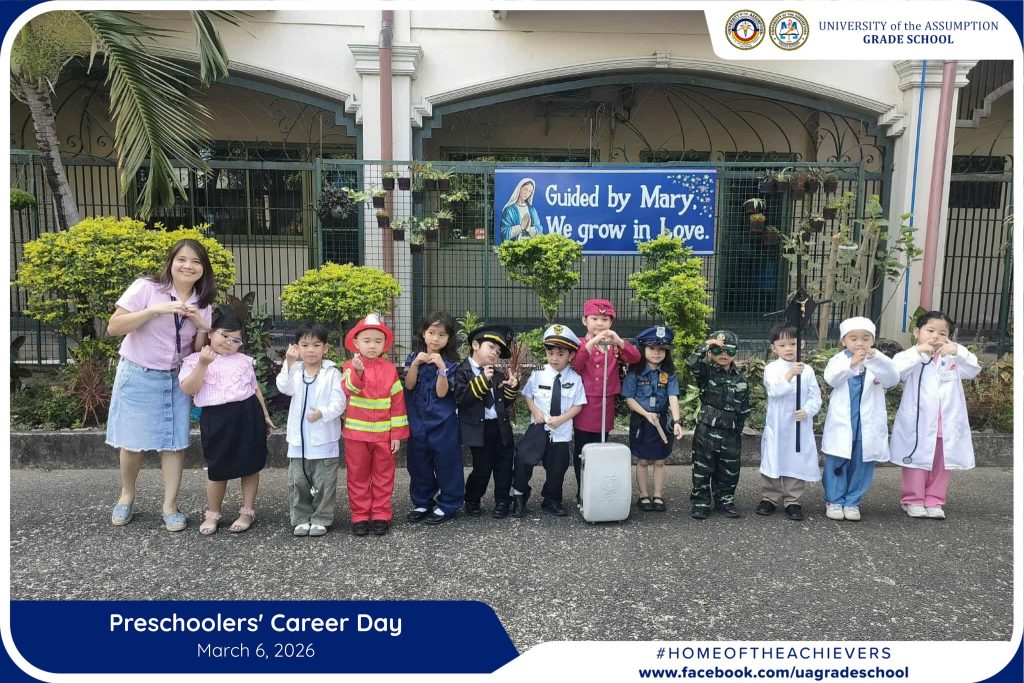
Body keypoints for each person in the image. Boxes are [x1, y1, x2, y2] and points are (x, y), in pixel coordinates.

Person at [106, 239, 216, 532]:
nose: (188, 266)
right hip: (139, 372)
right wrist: (155, 310)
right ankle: (126, 495)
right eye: (182, 259)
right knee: (133, 443)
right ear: (171, 262)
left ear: (203, 269)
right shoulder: (147, 288)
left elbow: (197, 350)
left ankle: (170, 505)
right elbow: (114, 326)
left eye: (196, 261)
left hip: (175, 378)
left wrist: (202, 326)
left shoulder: (203, 302)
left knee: (174, 443)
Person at [179, 309, 274, 535]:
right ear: (211, 333)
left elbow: (254, 389)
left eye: (236, 340)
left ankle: (247, 511)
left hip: (247, 414)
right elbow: (188, 389)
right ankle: (213, 513)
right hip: (216, 417)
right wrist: (203, 364)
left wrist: (265, 416)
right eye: (224, 335)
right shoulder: (194, 360)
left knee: (250, 465)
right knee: (217, 467)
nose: (229, 343)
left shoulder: (243, 361)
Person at [889, 311, 981, 520]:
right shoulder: (912, 357)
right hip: (919, 423)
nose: (935, 336)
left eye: (942, 333)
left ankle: (934, 500)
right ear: (917, 332)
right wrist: (917, 352)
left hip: (946, 423)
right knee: (916, 461)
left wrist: (958, 350)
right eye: (930, 331)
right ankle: (912, 500)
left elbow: (973, 369)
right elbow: (895, 372)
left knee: (941, 462)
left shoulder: (952, 358)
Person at [820, 316, 899, 522]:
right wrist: (851, 364)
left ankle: (853, 502)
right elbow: (831, 379)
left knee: (862, 463)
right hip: (843, 422)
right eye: (853, 338)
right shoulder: (838, 360)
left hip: (867, 425)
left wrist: (878, 359)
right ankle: (834, 500)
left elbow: (892, 379)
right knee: (838, 460)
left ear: (873, 340)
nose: (859, 343)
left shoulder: (877, 360)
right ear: (843, 341)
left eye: (865, 338)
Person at [341, 314, 410, 536]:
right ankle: (360, 515)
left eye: (378, 341)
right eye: (367, 340)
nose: (372, 346)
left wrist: (396, 434)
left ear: (384, 344)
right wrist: (358, 372)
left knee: (384, 476)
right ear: (356, 343)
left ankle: (381, 513)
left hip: (384, 436)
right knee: (357, 476)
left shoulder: (390, 369)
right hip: (356, 436)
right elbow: (349, 389)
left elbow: (398, 404)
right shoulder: (350, 366)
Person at [276, 323, 346, 537]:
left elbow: (339, 402)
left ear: (325, 348)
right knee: (298, 481)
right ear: (296, 347)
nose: (310, 350)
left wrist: (322, 413)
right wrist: (288, 362)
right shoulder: (295, 370)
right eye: (304, 345)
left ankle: (321, 518)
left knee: (325, 482)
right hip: (298, 440)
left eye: (316, 345)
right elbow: (284, 387)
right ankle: (301, 518)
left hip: (324, 439)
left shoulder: (332, 373)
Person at [513, 324, 587, 517]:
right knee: (523, 460)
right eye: (550, 353)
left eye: (560, 354)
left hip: (560, 431)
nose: (554, 358)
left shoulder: (575, 378)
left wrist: (562, 419)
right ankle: (519, 496)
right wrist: (535, 410)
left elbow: (578, 405)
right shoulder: (538, 372)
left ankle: (552, 500)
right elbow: (528, 394)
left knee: (557, 468)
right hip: (538, 427)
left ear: (571, 355)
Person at [571, 299, 641, 501]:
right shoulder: (580, 343)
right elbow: (577, 364)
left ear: (611, 322)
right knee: (582, 448)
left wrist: (619, 341)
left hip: (606, 401)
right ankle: (583, 490)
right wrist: (592, 343)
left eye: (605, 319)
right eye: (594, 319)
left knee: (602, 444)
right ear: (584, 320)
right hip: (585, 403)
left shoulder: (614, 345)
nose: (600, 323)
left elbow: (635, 358)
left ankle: (598, 489)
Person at [757, 324, 822, 522]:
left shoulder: (807, 370)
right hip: (777, 424)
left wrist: (807, 410)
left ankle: (792, 500)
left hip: (797, 425)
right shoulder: (771, 368)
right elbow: (774, 391)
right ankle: (769, 497)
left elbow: (815, 397)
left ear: (801, 344)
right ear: (774, 348)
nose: (788, 349)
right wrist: (790, 374)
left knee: (795, 459)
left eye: (793, 344)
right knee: (773, 457)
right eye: (782, 345)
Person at [453, 325, 519, 518]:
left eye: (498, 352)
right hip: (479, 429)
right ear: (475, 345)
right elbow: (461, 399)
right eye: (491, 347)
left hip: (500, 427)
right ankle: (472, 499)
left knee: (504, 466)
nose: (494, 353)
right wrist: (482, 380)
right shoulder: (462, 371)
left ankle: (503, 500)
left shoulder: (497, 375)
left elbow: (503, 404)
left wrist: (511, 388)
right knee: (482, 468)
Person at [404, 312, 463, 526]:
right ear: (423, 333)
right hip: (417, 420)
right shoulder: (413, 357)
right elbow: (409, 385)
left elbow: (441, 393)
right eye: (431, 333)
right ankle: (422, 502)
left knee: (447, 463)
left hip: (444, 422)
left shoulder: (452, 363)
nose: (435, 339)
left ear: (449, 338)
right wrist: (415, 365)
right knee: (418, 462)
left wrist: (442, 369)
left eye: (442, 334)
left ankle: (449, 504)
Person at [687, 330, 751, 520]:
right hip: (707, 430)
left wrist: (737, 430)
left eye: (729, 351)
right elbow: (691, 363)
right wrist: (706, 344)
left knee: (729, 469)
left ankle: (725, 501)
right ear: (710, 353)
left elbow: (744, 409)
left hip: (730, 431)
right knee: (702, 467)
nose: (723, 355)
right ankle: (701, 503)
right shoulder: (706, 372)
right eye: (717, 350)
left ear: (735, 352)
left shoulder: (741, 379)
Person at [621, 326, 684, 513]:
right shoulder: (635, 372)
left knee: (659, 461)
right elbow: (629, 399)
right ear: (642, 349)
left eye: (661, 349)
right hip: (642, 422)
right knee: (642, 460)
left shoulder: (668, 373)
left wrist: (677, 421)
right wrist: (646, 414)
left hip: (662, 421)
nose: (657, 353)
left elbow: (673, 397)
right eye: (652, 348)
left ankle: (658, 495)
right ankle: (643, 495)